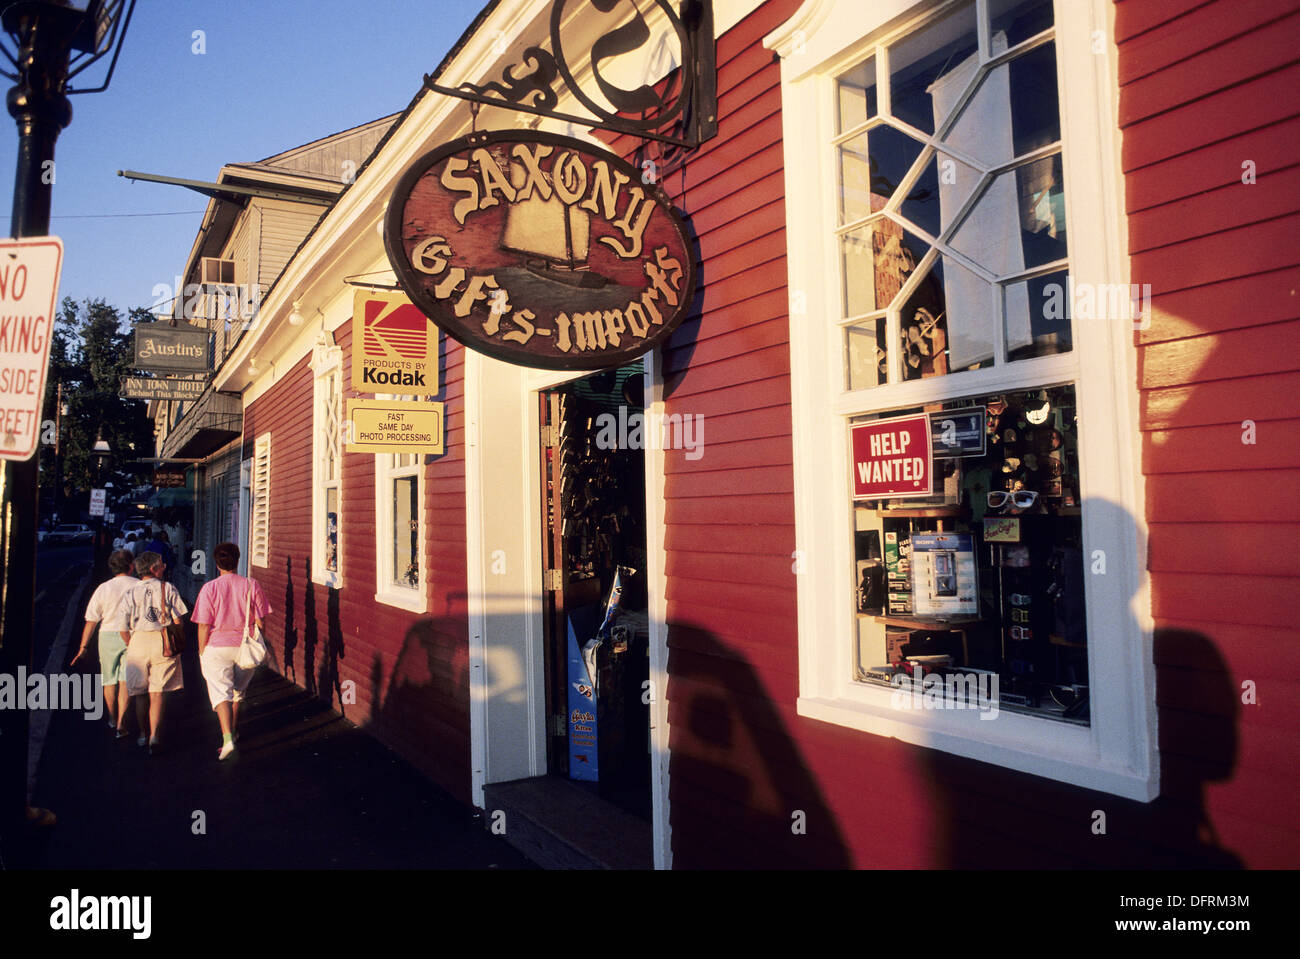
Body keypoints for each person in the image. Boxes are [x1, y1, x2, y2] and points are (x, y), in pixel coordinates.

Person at [193, 542, 271, 761]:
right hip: (244, 647)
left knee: (221, 694)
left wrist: (201, 651)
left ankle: (227, 738)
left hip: (216, 646)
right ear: (237, 560)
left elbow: (203, 625)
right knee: (238, 693)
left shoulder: (210, 588)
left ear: (217, 563)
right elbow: (261, 621)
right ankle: (234, 733)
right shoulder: (251, 584)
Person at [120, 551, 187, 753]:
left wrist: (132, 643)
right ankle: (154, 735)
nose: (164, 567)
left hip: (138, 641)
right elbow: (178, 620)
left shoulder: (130, 592)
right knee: (157, 692)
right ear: (153, 569)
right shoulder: (168, 589)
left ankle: (142, 733)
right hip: (163, 640)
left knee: (140, 693)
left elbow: (122, 628)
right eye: (161, 565)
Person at [71, 549, 139, 736]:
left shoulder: (103, 588)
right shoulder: (139, 586)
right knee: (125, 682)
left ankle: (112, 718)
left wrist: (83, 647)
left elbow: (91, 620)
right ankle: (122, 724)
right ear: (131, 566)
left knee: (109, 681)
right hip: (132, 636)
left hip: (107, 636)